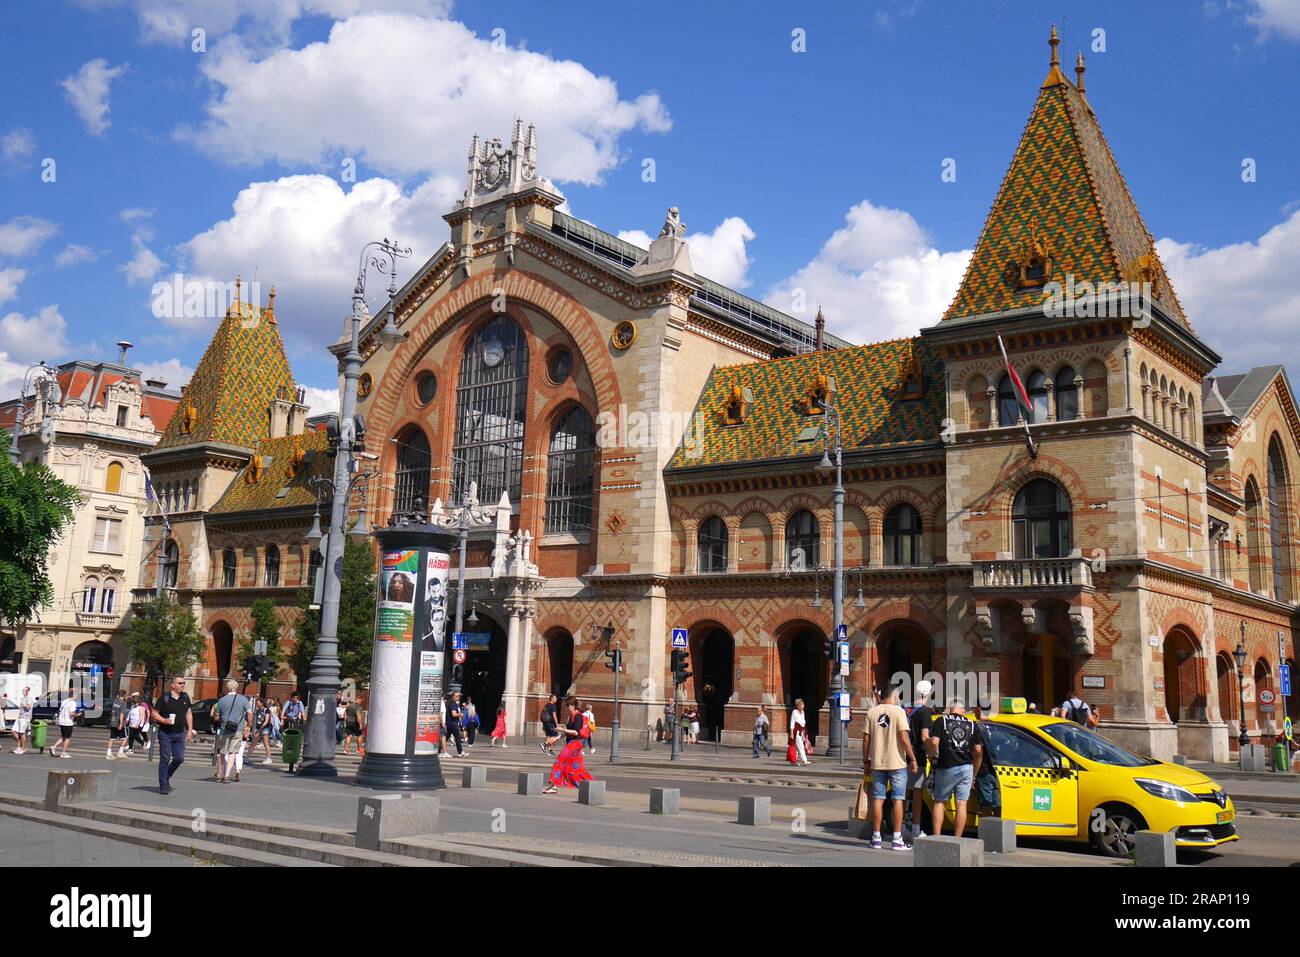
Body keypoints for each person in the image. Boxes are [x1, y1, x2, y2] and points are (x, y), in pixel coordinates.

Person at [862, 684, 918, 850]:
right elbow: (904, 738)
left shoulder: (871, 712)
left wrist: (866, 761)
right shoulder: (898, 712)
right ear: (893, 696)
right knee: (898, 799)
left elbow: (865, 739)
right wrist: (913, 759)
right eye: (898, 696)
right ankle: (896, 839)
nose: (899, 699)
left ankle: (876, 838)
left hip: (877, 763)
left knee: (878, 798)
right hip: (897, 763)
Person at [927, 698, 984, 839]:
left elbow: (934, 742)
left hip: (946, 767)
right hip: (966, 768)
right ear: (963, 710)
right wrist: (974, 773)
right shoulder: (972, 724)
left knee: (939, 801)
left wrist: (931, 756)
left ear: (950, 709)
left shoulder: (942, 721)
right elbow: (977, 750)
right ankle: (957, 838)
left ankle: (937, 837)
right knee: (961, 804)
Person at [151, 676, 194, 795]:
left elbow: (188, 713)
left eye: (184, 683)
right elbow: (154, 714)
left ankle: (166, 777)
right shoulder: (164, 698)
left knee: (179, 758)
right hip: (166, 733)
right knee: (165, 758)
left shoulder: (185, 697)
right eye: (180, 683)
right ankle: (163, 785)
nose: (182, 685)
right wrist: (164, 720)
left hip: (180, 733)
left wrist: (190, 730)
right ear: (173, 685)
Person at [543, 697, 593, 794]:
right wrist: (556, 738)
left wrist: (563, 730)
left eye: (569, 705)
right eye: (567, 705)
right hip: (571, 743)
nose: (567, 707)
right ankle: (589, 785)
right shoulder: (570, 716)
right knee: (577, 768)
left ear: (573, 706)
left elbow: (576, 732)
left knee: (559, 761)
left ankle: (554, 786)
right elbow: (567, 732)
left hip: (575, 744)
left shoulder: (578, 716)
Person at [905, 679, 935, 839]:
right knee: (917, 794)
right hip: (918, 757)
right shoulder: (924, 712)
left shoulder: (907, 709)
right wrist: (934, 752)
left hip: (904, 757)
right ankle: (915, 829)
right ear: (928, 693)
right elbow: (924, 737)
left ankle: (902, 826)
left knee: (903, 793)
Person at [211, 679, 251, 784]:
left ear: (227, 688)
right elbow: (250, 713)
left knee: (222, 752)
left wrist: (223, 719)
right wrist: (249, 725)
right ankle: (227, 775)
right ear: (237, 688)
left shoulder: (221, 700)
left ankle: (219, 774)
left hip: (224, 729)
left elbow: (216, 717)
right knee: (232, 752)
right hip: (238, 728)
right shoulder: (243, 700)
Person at [52, 686, 80, 758]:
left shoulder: (64, 701)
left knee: (63, 737)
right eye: (77, 694)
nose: (77, 696)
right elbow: (71, 713)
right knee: (67, 738)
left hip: (61, 721)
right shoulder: (73, 703)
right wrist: (77, 715)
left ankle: (53, 747)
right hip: (68, 722)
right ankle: (63, 753)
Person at [106, 690, 128, 760]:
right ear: (124, 695)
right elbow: (122, 714)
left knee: (112, 738)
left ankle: (108, 753)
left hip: (113, 721)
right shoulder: (123, 703)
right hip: (118, 722)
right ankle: (120, 752)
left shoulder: (115, 701)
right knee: (125, 738)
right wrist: (121, 723)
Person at [10, 686, 33, 754]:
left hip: (25, 718)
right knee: (13, 731)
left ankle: (23, 748)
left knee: (22, 733)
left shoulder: (29, 698)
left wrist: (23, 702)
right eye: (22, 690)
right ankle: (19, 745)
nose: (23, 692)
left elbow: (28, 708)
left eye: (24, 690)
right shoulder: (23, 698)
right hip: (20, 717)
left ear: (27, 691)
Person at [789, 698, 811, 766]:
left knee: (797, 747)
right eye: (802, 704)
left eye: (803, 704)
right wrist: (791, 733)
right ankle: (804, 760)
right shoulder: (794, 712)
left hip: (802, 731)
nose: (803, 705)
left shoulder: (803, 712)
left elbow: (803, 721)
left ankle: (793, 761)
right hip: (797, 731)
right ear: (798, 705)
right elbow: (792, 722)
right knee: (800, 746)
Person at [444, 692, 464, 757]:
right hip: (453, 723)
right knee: (457, 737)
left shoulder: (449, 703)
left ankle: (439, 750)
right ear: (453, 696)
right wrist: (460, 714)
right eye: (457, 696)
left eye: (459, 696)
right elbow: (454, 714)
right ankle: (460, 752)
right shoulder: (453, 704)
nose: (458, 697)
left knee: (446, 737)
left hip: (449, 722)